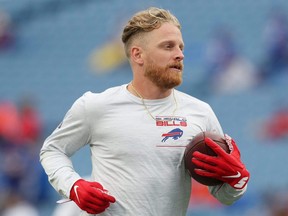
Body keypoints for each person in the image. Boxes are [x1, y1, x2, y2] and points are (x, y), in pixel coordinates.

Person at [39, 7, 250, 216]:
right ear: (138, 55)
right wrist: (73, 185)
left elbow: (224, 196)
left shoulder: (201, 112)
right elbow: (52, 150)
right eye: (168, 47)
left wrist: (236, 179)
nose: (180, 55)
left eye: (180, 47)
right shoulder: (96, 105)